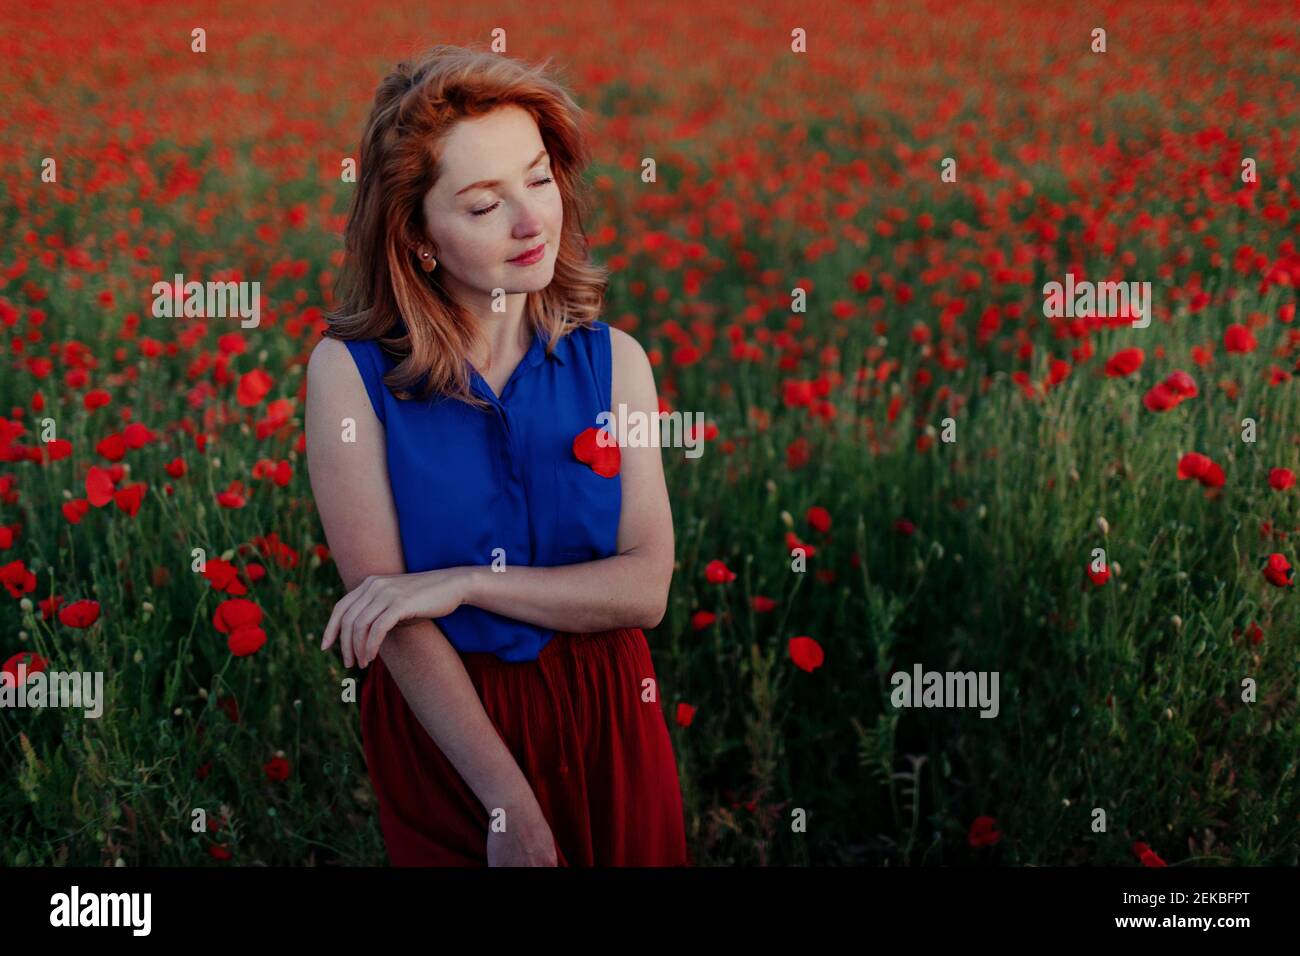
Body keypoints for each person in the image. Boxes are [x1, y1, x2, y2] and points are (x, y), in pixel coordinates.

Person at [304, 44, 689, 867]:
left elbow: (646, 587)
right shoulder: (350, 375)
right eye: (483, 206)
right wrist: (508, 804)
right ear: (417, 236)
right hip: (451, 735)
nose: (532, 221)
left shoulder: (616, 361)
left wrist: (466, 582)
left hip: (609, 718)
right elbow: (392, 622)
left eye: (540, 178)